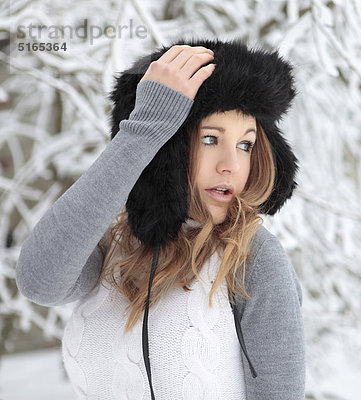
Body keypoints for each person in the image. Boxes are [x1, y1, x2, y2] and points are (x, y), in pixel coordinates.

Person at [15, 38, 305, 400]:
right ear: (166, 148)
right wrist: (140, 134)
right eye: (211, 139)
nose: (231, 164)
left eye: (245, 144)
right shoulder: (111, 244)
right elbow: (39, 281)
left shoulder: (253, 258)